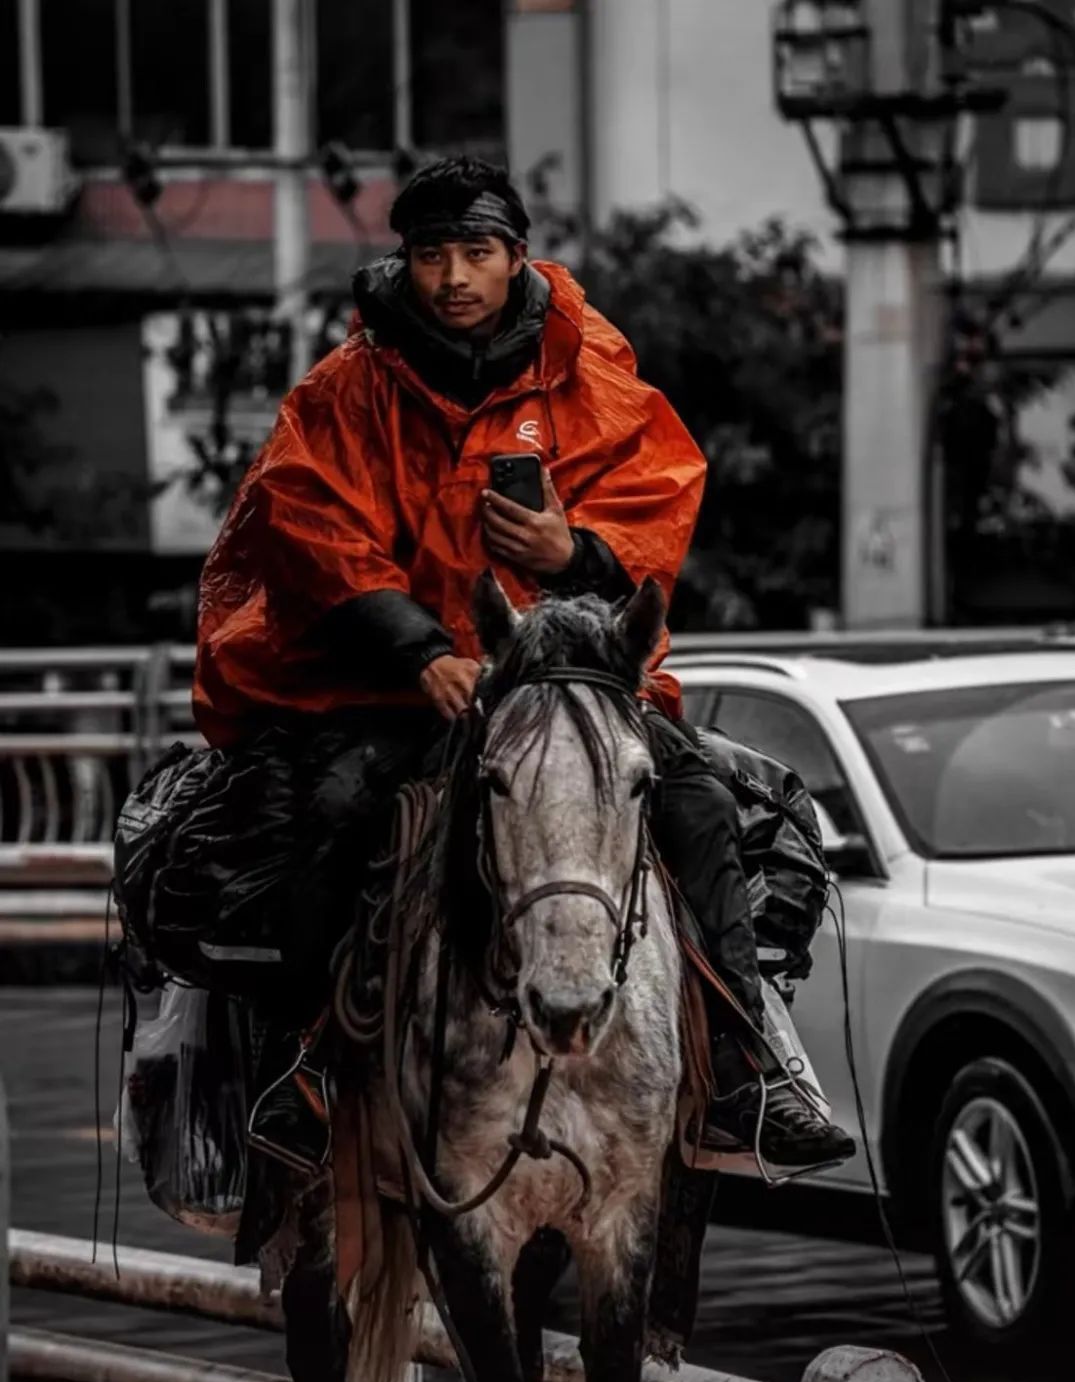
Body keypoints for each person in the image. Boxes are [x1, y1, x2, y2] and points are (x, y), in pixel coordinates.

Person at [194, 155, 854, 1170]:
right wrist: (422, 655)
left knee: (699, 807)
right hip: (397, 691)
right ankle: (309, 1064)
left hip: (573, 683)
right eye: (431, 254)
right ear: (404, 263)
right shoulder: (342, 393)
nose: (454, 275)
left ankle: (748, 1068)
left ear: (516, 256)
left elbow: (657, 495)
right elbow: (312, 530)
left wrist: (572, 553)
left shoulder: (591, 370)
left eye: (477, 251)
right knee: (331, 808)